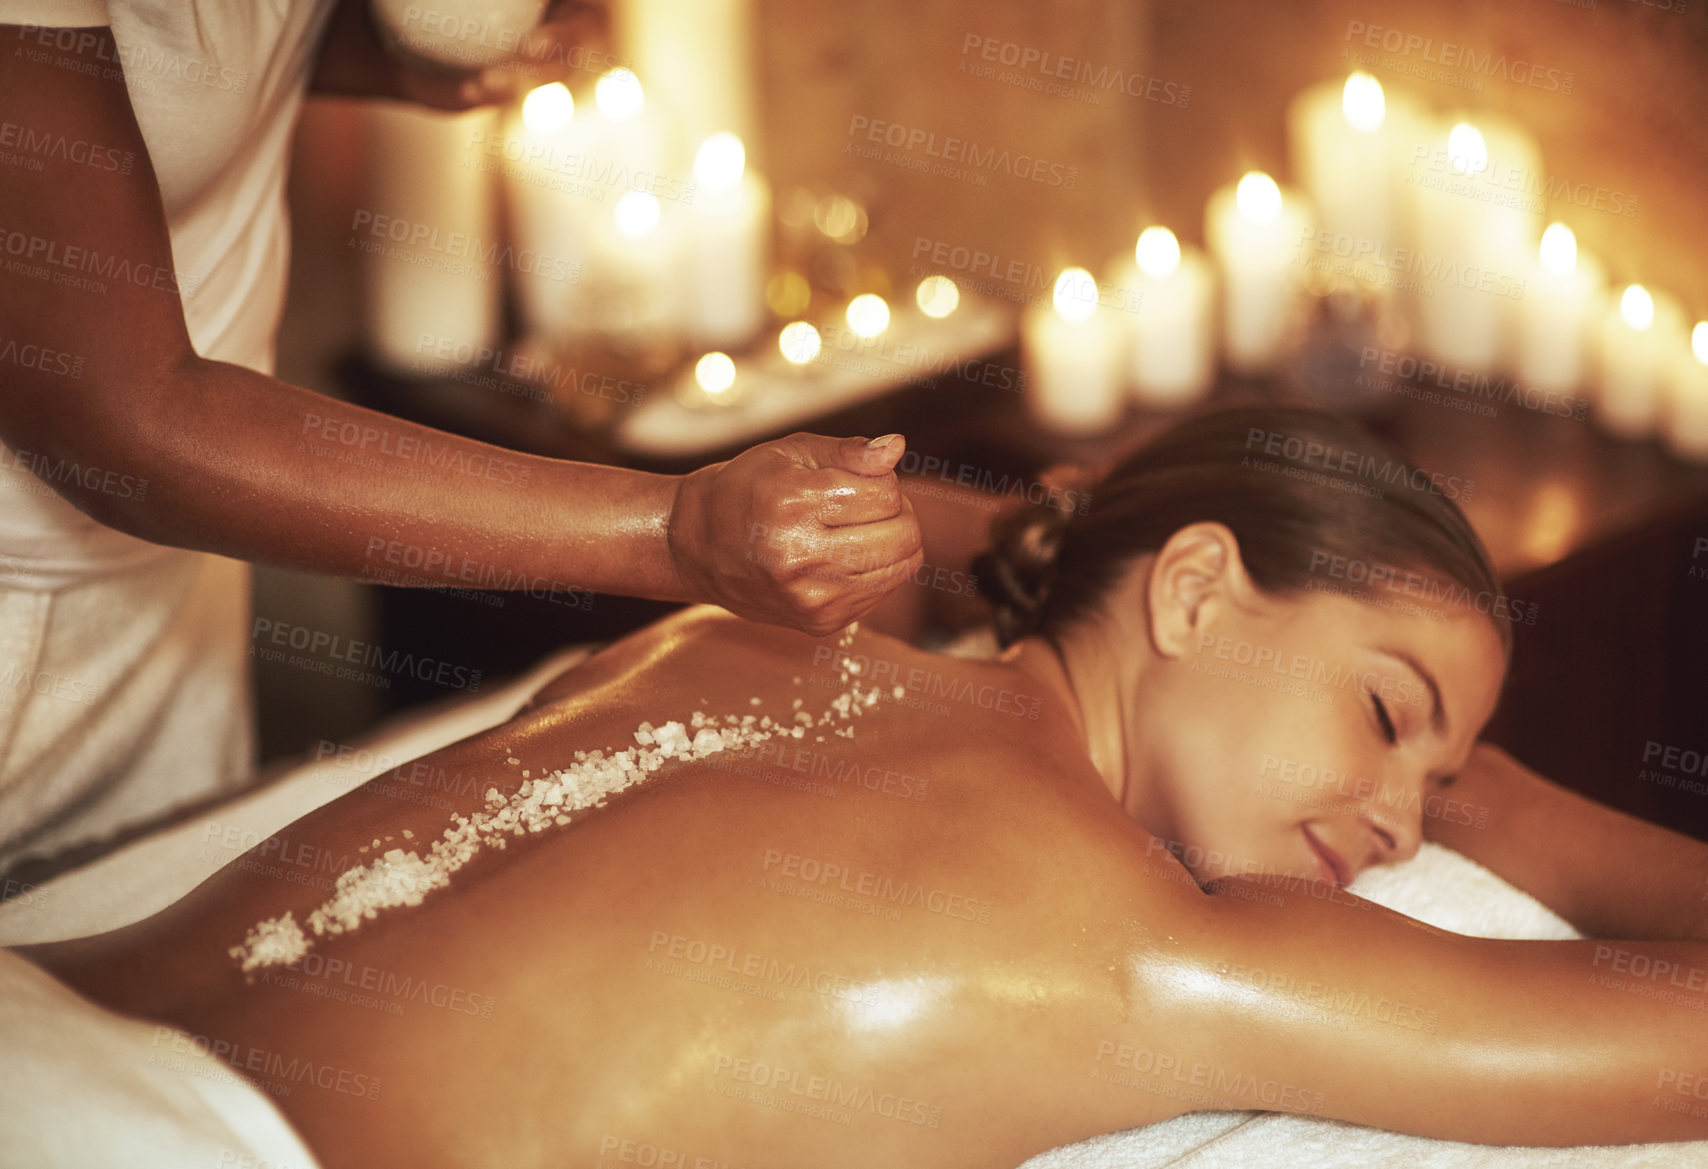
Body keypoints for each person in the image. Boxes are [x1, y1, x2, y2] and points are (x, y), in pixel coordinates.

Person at [21, 406, 1708, 1167]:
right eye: (1392, 713)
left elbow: (1026, 551)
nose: (1406, 814)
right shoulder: (1128, 937)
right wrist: (1509, 808)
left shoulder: (717, 644)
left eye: (1439, 779)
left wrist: (1424, 760)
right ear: (1193, 591)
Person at [0, 2, 923, 872]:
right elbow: (128, 418)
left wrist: (362, 49)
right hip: (29, 607)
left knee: (142, 947)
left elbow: (183, 60)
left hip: (173, 585)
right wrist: (671, 528)